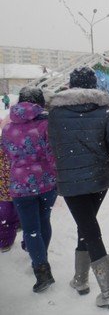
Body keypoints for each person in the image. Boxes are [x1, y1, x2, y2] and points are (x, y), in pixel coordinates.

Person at [48, 66, 109, 309]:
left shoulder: (55, 114)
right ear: (94, 85)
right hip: (99, 180)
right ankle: (80, 279)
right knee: (87, 225)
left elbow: (52, 147)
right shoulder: (104, 111)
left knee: (89, 228)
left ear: (71, 86)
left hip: (71, 182)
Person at [1, 87, 58, 292]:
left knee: (31, 229)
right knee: (44, 222)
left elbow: (7, 154)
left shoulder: (7, 128)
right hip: (46, 182)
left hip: (20, 185)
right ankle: (43, 256)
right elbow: (53, 154)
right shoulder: (47, 124)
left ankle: (41, 270)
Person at [0, 138, 20, 253]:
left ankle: (29, 243)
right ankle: (5, 241)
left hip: (19, 187)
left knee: (8, 217)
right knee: (6, 217)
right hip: (5, 190)